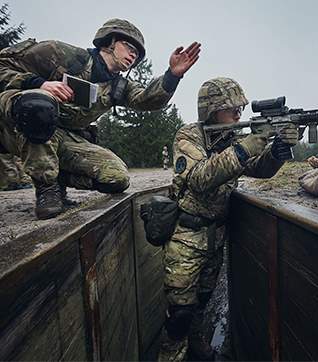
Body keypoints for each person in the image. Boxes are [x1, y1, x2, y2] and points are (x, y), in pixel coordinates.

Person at [0, 18, 201, 219]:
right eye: (130, 47)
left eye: (137, 54)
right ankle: (47, 188)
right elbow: (3, 65)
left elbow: (147, 100)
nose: (133, 55)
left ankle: (58, 176)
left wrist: (173, 75)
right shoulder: (62, 54)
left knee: (116, 178)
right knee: (38, 105)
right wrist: (39, 83)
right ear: (110, 41)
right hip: (14, 126)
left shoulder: (118, 86)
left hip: (62, 137)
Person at [158, 77, 299, 361]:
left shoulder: (232, 139)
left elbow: (259, 169)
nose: (239, 115)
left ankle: (196, 343)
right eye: (232, 109)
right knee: (179, 314)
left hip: (214, 237)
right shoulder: (189, 136)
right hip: (186, 237)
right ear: (211, 110)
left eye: (240, 109)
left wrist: (277, 151)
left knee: (203, 301)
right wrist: (250, 143)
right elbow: (199, 179)